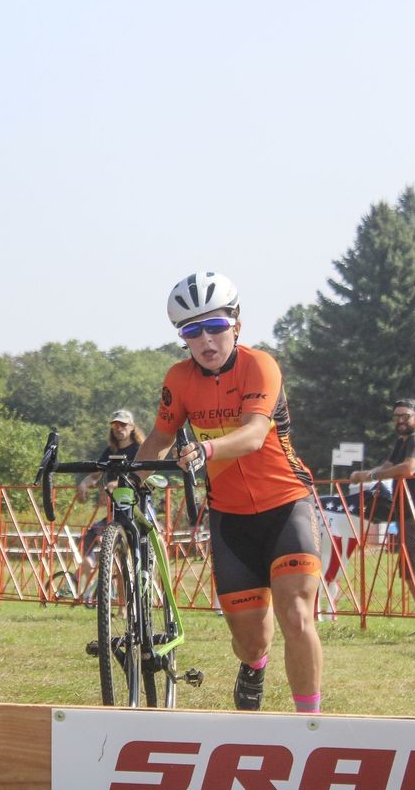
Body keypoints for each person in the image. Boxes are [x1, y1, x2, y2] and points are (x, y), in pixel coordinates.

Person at [137, 272, 323, 713]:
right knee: (248, 638)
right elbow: (159, 439)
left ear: (236, 324)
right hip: (230, 517)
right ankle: (254, 666)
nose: (206, 339)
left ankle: (312, 724)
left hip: (286, 505)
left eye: (215, 326)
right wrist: (127, 476)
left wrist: (205, 448)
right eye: (191, 330)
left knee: (296, 614)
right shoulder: (179, 379)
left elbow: (255, 434)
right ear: (183, 338)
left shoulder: (260, 365)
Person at [348, 398, 415, 635]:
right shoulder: (404, 441)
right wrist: (369, 474)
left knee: (414, 567)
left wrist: (369, 475)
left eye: (405, 416)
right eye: (396, 416)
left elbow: (408, 468)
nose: (400, 420)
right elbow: (389, 465)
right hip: (410, 510)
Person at [75, 409, 146, 502]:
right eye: (115, 425)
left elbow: (143, 475)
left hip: (138, 502)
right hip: (116, 505)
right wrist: (83, 484)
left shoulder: (141, 450)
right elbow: (95, 475)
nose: (119, 428)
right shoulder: (110, 451)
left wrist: (116, 484)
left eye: (123, 424)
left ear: (132, 427)